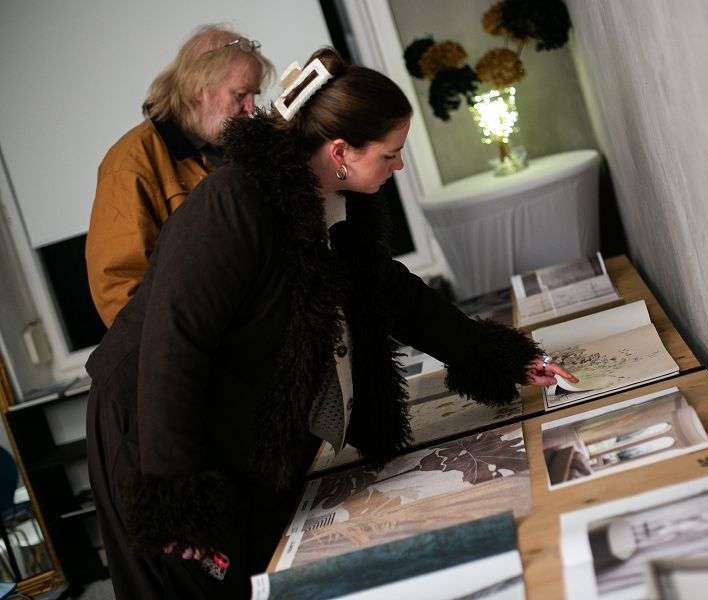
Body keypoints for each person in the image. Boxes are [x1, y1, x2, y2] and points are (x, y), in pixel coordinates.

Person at [85, 47, 576, 599]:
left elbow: (393, 294)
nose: (398, 167)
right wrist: (175, 495)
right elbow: (175, 345)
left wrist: (502, 358)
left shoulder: (330, 198)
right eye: (390, 155)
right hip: (151, 428)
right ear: (340, 152)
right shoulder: (234, 203)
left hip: (223, 415)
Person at [85, 24, 275, 327]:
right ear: (198, 89)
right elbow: (119, 290)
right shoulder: (130, 164)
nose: (251, 108)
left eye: (254, 95)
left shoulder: (235, 147)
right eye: (240, 95)